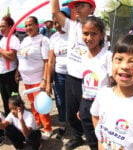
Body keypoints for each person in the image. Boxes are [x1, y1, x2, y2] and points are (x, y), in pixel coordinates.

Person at [51, 0, 96, 148]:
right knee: (71, 112)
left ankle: (94, 142)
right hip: (71, 77)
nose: (77, 8)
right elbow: (56, 13)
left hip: (88, 79)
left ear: (91, 9)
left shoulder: (96, 28)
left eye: (82, 5)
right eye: (76, 5)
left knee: (87, 113)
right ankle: (77, 136)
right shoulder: (72, 26)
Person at [16, 16, 52, 140]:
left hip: (38, 79)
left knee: (41, 104)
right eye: (26, 26)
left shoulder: (43, 40)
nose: (28, 28)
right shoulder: (25, 40)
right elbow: (21, 57)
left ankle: (47, 128)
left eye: (30, 24)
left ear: (37, 25)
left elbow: (47, 62)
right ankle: (38, 123)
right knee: (33, 103)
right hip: (26, 79)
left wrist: (44, 80)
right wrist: (17, 72)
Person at [79, 16, 112, 150]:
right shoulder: (83, 56)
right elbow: (85, 82)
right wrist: (81, 106)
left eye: (94, 33)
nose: (89, 38)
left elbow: (113, 83)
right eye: (86, 33)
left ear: (101, 35)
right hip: (86, 103)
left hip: (102, 105)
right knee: (91, 139)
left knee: (104, 139)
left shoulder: (107, 56)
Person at [46, 10, 71, 140]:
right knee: (60, 102)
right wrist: (48, 81)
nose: (56, 26)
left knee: (75, 102)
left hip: (75, 76)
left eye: (59, 22)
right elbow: (51, 61)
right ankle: (62, 126)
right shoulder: (54, 38)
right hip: (59, 75)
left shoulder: (76, 34)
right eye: (54, 23)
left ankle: (78, 126)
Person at [0, 16, 20, 116]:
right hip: (2, 73)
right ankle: (9, 121)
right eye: (0, 26)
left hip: (10, 74)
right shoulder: (3, 39)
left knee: (13, 99)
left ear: (11, 27)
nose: (1, 29)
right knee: (5, 99)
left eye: (3, 26)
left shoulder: (13, 39)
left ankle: (17, 120)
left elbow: (11, 56)